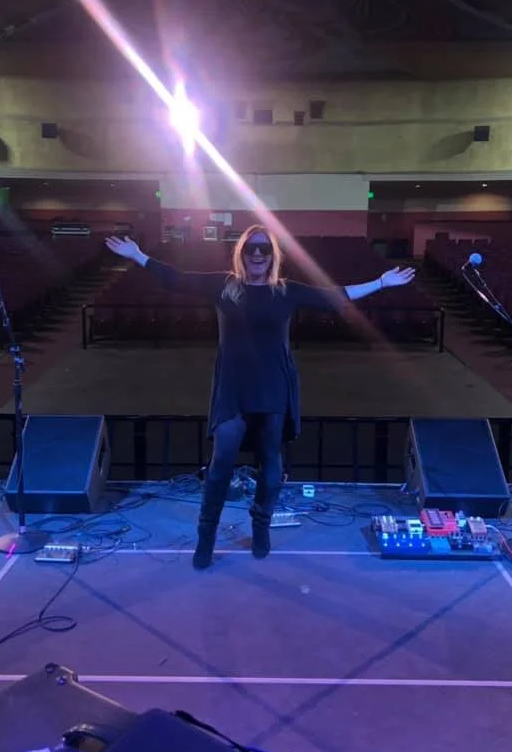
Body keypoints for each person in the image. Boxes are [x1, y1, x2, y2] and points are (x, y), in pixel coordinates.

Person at [106, 225, 415, 570]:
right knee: (222, 461)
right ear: (240, 253)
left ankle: (261, 526)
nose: (256, 255)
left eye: (263, 249)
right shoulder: (224, 286)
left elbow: (334, 296)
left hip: (272, 386)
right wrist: (137, 256)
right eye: (251, 249)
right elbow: (177, 278)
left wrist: (381, 283)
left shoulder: (285, 291)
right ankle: (206, 535)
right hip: (234, 387)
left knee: (271, 463)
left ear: (272, 256)